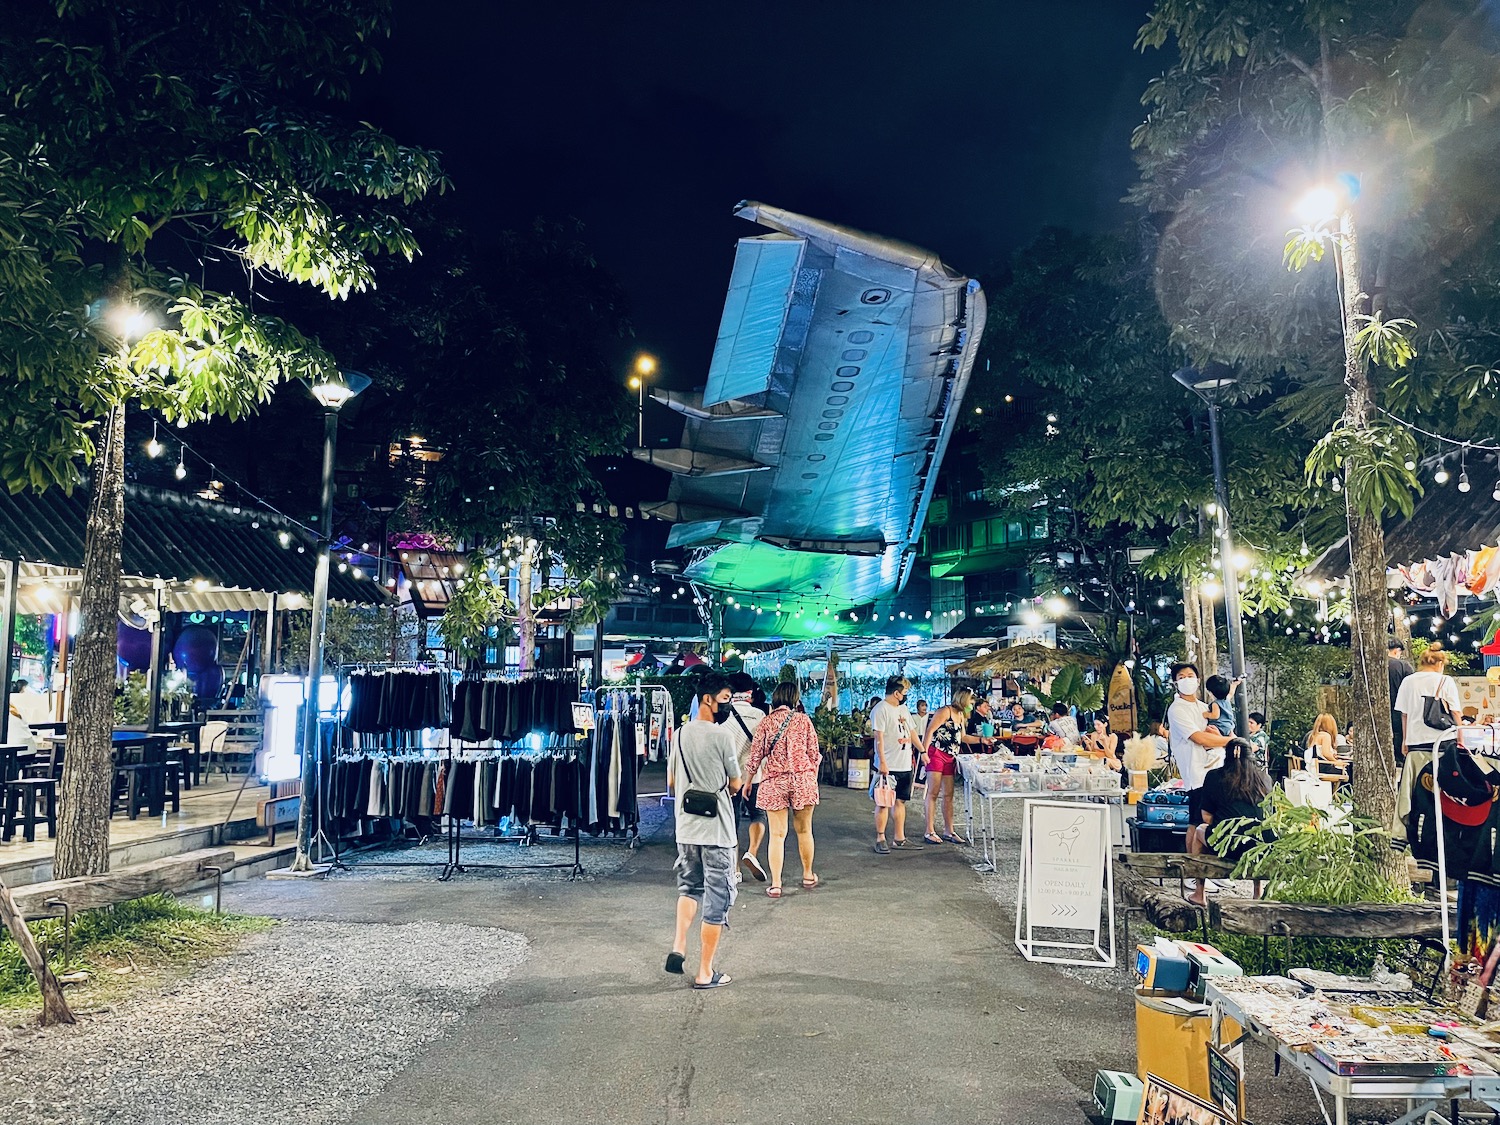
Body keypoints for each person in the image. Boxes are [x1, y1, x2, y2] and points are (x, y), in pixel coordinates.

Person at [666, 673, 742, 989]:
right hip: (717, 832)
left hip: (686, 830)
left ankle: (679, 945)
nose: (728, 705)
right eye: (725, 699)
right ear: (708, 699)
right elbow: (736, 782)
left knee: (688, 888)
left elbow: (671, 783)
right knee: (717, 899)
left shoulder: (680, 734)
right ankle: (704, 972)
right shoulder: (723, 737)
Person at [743, 681, 822, 897]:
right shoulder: (804, 721)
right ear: (795, 699)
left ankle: (776, 884)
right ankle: (808, 875)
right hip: (802, 779)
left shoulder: (766, 722)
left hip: (774, 781)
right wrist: (810, 778)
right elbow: (814, 754)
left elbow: (756, 755)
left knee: (777, 834)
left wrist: (748, 781)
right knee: (805, 830)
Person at [1166, 663, 1232, 902]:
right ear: (1176, 682)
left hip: (1217, 771)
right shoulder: (1178, 709)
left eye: (1191, 675)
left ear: (1198, 679)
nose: (1187, 679)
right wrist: (1228, 742)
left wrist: (1223, 739)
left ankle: (1211, 868)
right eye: (1182, 677)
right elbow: (1197, 737)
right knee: (1196, 820)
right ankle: (1193, 873)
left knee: (1215, 820)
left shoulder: (1206, 707)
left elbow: (1219, 730)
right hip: (1196, 773)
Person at [1185, 737, 1270, 906]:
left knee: (1200, 830)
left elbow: (1206, 817)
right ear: (1250, 755)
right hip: (1261, 845)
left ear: (1227, 755)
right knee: (1258, 827)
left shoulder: (1214, 776)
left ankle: (1199, 893)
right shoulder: (1265, 778)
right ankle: (1257, 892)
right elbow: (1268, 815)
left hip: (1229, 843)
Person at [723, 672, 767, 884]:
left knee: (731, 822)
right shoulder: (759, 715)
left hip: (730, 778)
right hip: (755, 776)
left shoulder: (723, 715)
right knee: (758, 815)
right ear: (750, 692)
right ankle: (752, 852)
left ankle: (734, 868)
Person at [920, 689, 980, 844]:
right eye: (971, 703)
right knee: (933, 792)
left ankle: (949, 830)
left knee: (948, 794)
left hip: (951, 756)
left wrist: (982, 740)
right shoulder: (944, 711)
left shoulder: (960, 716)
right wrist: (923, 752)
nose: (971, 706)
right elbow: (930, 731)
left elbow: (963, 737)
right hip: (937, 753)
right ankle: (929, 830)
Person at [869, 676, 919, 854]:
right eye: (905, 692)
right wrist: (882, 761)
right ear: (897, 693)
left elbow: (911, 731)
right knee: (883, 802)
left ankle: (899, 837)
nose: (906, 695)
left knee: (900, 801)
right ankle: (880, 837)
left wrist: (923, 751)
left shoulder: (903, 709)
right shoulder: (880, 709)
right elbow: (879, 738)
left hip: (904, 763)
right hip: (888, 766)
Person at [1395, 642, 1462, 763]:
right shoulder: (1446, 680)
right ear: (1440, 663)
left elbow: (1404, 715)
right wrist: (1461, 738)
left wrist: (1405, 740)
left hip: (1416, 740)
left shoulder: (1408, 681)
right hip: (1444, 738)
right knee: (1443, 777)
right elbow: (1455, 712)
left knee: (1421, 777)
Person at [1388, 640, 1416, 764]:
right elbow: (1413, 688)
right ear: (1397, 650)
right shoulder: (1404, 666)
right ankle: (1399, 759)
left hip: (1378, 711)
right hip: (1400, 709)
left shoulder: (1375, 666)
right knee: (1399, 732)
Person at [1304, 712, 1348, 786]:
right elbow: (1326, 753)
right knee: (1349, 771)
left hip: (1314, 768)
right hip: (1322, 768)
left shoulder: (1313, 736)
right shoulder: (1325, 736)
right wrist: (1337, 761)